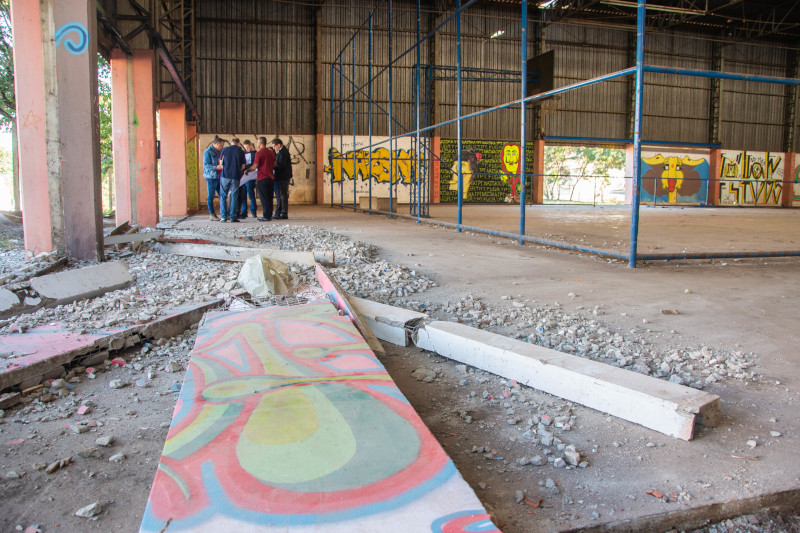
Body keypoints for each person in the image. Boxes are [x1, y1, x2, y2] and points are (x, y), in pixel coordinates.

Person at [245, 136, 276, 221]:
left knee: (264, 198)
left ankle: (266, 216)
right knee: (270, 197)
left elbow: (255, 166)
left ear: (261, 143)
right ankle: (269, 214)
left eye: (258, 143)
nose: (257, 144)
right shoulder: (271, 152)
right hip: (271, 178)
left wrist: (247, 170)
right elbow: (275, 164)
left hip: (262, 178)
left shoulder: (259, 153)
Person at [219, 140, 246, 222]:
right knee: (234, 196)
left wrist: (225, 170)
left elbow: (221, 163)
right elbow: (243, 166)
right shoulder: (240, 151)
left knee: (223, 196)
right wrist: (238, 171)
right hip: (235, 177)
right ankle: (233, 217)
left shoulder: (225, 149)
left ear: (231, 143)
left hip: (225, 176)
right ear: (238, 143)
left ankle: (223, 216)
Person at [202, 137, 226, 220]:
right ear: (217, 144)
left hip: (219, 176)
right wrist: (216, 167)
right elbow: (206, 165)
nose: (222, 147)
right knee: (211, 196)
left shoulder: (219, 152)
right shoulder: (208, 152)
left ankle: (224, 213)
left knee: (222, 195)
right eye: (221, 145)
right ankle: (212, 214)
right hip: (211, 177)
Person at [272, 138, 292, 219]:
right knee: (281, 194)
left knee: (282, 195)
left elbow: (281, 165)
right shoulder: (282, 152)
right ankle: (280, 212)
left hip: (282, 176)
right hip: (283, 176)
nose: (274, 148)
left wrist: (273, 167)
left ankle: (283, 212)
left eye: (274, 146)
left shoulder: (283, 153)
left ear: (279, 145)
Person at [239, 140, 258, 219]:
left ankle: (253, 211)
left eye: (247, 147)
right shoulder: (244, 154)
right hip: (244, 176)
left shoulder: (256, 154)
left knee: (251, 194)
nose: (247, 149)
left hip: (251, 176)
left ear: (251, 145)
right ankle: (244, 211)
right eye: (245, 147)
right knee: (243, 195)